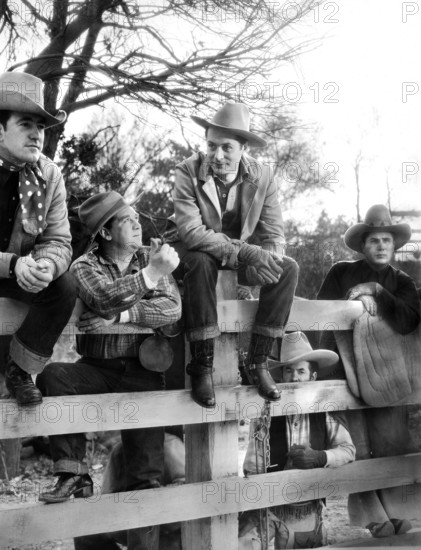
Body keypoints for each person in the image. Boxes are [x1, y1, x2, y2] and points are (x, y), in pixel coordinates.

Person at [36, 191, 181, 550]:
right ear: (105, 232)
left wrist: (122, 317)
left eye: (136, 218)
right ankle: (73, 472)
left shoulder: (149, 258)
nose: (137, 224)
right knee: (54, 375)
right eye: (127, 220)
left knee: (146, 477)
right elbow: (102, 297)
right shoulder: (84, 266)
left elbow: (171, 309)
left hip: (144, 372)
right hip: (97, 368)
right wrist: (149, 278)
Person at [173, 101, 298, 407]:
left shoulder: (263, 175)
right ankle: (201, 365)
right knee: (201, 262)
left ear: (243, 148)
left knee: (288, 268)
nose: (217, 155)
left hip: (241, 260)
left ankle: (258, 362)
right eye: (211, 146)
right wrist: (247, 253)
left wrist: (268, 260)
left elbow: (274, 233)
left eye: (226, 148)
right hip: (197, 252)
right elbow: (192, 233)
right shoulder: (187, 171)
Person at [317, 204, 421, 538]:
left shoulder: (402, 281)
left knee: (390, 441)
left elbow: (408, 320)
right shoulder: (341, 272)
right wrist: (352, 303)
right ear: (363, 245)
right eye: (373, 239)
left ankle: (396, 512)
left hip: (387, 374)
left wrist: (377, 291)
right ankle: (374, 517)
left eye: (386, 240)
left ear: (394, 246)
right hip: (345, 369)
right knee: (358, 444)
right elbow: (321, 316)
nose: (380, 245)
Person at [0, 71, 76, 406]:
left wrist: (44, 265)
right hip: (10, 267)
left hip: (18, 273)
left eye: (41, 127)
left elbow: (59, 240)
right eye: (25, 124)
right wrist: (13, 264)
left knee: (65, 284)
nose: (36, 135)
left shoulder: (48, 174)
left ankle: (20, 371)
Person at [239, 332, 356, 549]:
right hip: (271, 506)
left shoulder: (324, 412)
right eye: (288, 371)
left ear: (312, 377)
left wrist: (320, 457)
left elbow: (348, 450)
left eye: (301, 371)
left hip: (307, 505)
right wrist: (266, 488)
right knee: (243, 544)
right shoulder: (266, 413)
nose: (294, 378)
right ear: (281, 376)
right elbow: (252, 465)